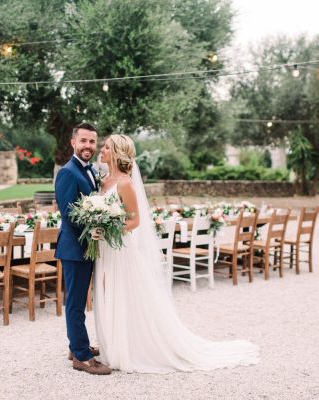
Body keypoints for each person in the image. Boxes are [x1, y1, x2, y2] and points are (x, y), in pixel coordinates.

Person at [93, 134, 260, 373]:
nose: (102, 150)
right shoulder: (104, 180)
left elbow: (135, 221)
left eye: (107, 147)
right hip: (105, 248)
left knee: (125, 293)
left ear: (117, 153)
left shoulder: (125, 183)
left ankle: (130, 348)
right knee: (109, 292)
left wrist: (109, 229)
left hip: (120, 247)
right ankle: (113, 343)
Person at [55, 122, 111, 375]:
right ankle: (81, 357)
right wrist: (97, 223)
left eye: (92, 141)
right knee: (76, 303)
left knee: (80, 300)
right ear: (73, 142)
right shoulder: (67, 172)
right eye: (84, 141)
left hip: (87, 248)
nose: (88, 146)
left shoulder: (89, 170)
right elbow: (69, 215)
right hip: (75, 249)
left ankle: (76, 345)